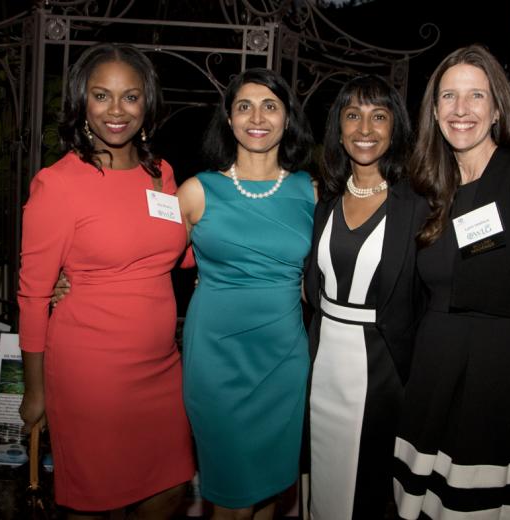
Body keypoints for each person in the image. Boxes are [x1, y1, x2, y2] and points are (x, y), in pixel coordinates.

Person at [392, 44, 510, 519]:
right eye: (449, 96)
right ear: (433, 111)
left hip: (497, 380)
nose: (461, 109)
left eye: (476, 95)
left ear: (497, 109)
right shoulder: (427, 187)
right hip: (432, 375)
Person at [18, 43, 194, 518]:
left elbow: (179, 253)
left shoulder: (160, 173)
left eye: (130, 97)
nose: (117, 110)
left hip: (162, 367)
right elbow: (33, 296)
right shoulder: (58, 184)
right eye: (102, 96)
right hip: (91, 373)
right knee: (94, 502)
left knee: (172, 487)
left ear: (147, 103)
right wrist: (35, 393)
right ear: (82, 102)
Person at [177, 68, 315, 519]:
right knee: (231, 499)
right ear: (229, 119)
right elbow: (148, 263)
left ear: (287, 119)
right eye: (244, 107)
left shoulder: (311, 192)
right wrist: (73, 280)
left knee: (270, 492)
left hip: (282, 360)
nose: (257, 118)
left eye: (270, 106)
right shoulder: (197, 190)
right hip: (216, 360)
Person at [302, 74, 425, 519]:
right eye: (353, 116)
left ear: (396, 128)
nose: (365, 129)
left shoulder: (418, 205)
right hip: (321, 362)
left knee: (368, 491)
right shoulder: (325, 200)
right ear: (338, 129)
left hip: (382, 370)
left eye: (379, 116)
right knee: (320, 480)